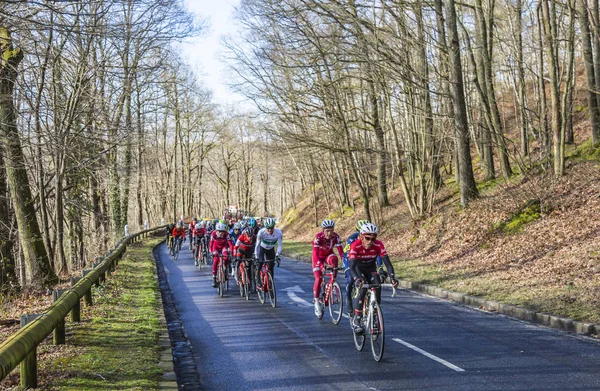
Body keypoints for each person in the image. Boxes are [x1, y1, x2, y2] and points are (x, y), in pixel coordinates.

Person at [348, 223, 398, 334]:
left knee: (377, 283)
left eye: (373, 239)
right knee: (363, 287)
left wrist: (393, 278)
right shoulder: (355, 245)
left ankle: (375, 314)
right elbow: (351, 267)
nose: (370, 241)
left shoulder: (378, 245)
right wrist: (356, 279)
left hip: (370, 269)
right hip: (358, 269)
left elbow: (388, 264)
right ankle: (357, 319)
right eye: (367, 238)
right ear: (361, 236)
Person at [343, 219, 383, 315]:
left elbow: (377, 255)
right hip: (350, 259)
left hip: (365, 262)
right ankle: (348, 299)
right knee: (350, 279)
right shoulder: (352, 239)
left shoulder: (372, 242)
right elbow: (350, 258)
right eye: (358, 231)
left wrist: (380, 267)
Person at [312, 219, 344, 317]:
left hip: (328, 255)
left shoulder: (336, 237)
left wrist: (346, 263)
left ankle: (332, 282)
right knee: (318, 277)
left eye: (331, 230)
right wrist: (320, 265)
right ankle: (316, 301)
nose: (329, 233)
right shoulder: (318, 238)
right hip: (318, 258)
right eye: (327, 231)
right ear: (323, 230)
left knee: (334, 260)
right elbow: (315, 254)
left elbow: (341, 252)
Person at [254, 218, 282, 282]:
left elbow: (280, 245)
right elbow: (257, 245)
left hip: (271, 249)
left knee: (271, 266)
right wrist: (256, 256)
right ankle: (258, 281)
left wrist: (277, 255)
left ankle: (270, 283)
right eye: (268, 228)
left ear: (274, 227)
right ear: (265, 227)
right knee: (260, 264)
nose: (270, 230)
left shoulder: (278, 233)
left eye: (271, 228)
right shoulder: (261, 232)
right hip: (262, 248)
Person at [210, 222, 234, 287]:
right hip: (215, 247)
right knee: (215, 260)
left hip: (223, 246)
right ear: (216, 230)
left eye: (222, 231)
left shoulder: (226, 234)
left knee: (226, 257)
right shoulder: (213, 234)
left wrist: (232, 252)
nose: (221, 233)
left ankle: (225, 270)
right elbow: (211, 244)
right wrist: (211, 252)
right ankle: (214, 277)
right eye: (219, 231)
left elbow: (230, 244)